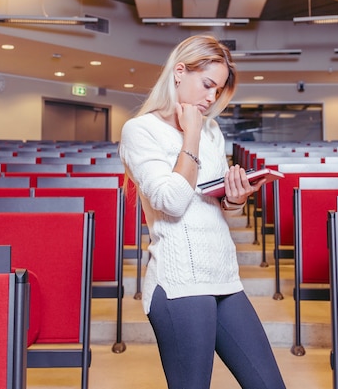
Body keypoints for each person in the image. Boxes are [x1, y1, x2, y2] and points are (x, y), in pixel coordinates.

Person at [119, 34, 287, 389]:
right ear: (180, 72)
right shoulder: (140, 130)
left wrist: (237, 196)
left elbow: (211, 201)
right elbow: (173, 201)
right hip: (179, 282)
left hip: (224, 275)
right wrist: (190, 134)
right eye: (207, 85)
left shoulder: (213, 131)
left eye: (219, 90)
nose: (211, 98)